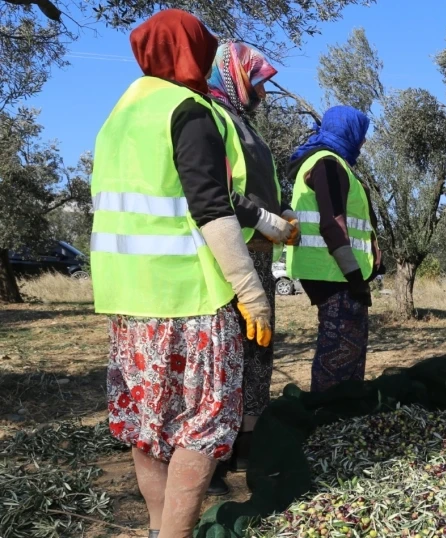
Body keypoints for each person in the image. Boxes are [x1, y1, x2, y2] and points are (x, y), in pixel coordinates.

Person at [90, 10, 272, 538]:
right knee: (203, 425)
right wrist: (251, 291)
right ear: (190, 52)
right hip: (190, 300)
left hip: (129, 304)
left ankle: (155, 529)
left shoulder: (118, 116)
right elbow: (212, 209)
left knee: (148, 426)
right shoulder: (188, 111)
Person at [205, 41, 298, 495]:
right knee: (226, 354)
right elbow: (215, 191)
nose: (262, 92)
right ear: (235, 76)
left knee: (257, 353)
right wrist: (266, 219)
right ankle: (215, 459)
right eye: (256, 81)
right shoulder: (212, 118)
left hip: (260, 254)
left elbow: (258, 187)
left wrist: (281, 217)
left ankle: (247, 443)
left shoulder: (245, 125)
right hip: (229, 258)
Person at [286, 106, 383, 392]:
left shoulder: (327, 162)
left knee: (345, 349)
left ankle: (340, 417)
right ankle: (330, 419)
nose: (363, 142)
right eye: (361, 135)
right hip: (335, 276)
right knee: (339, 354)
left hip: (335, 274)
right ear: (348, 132)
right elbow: (333, 226)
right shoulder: (328, 164)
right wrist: (355, 279)